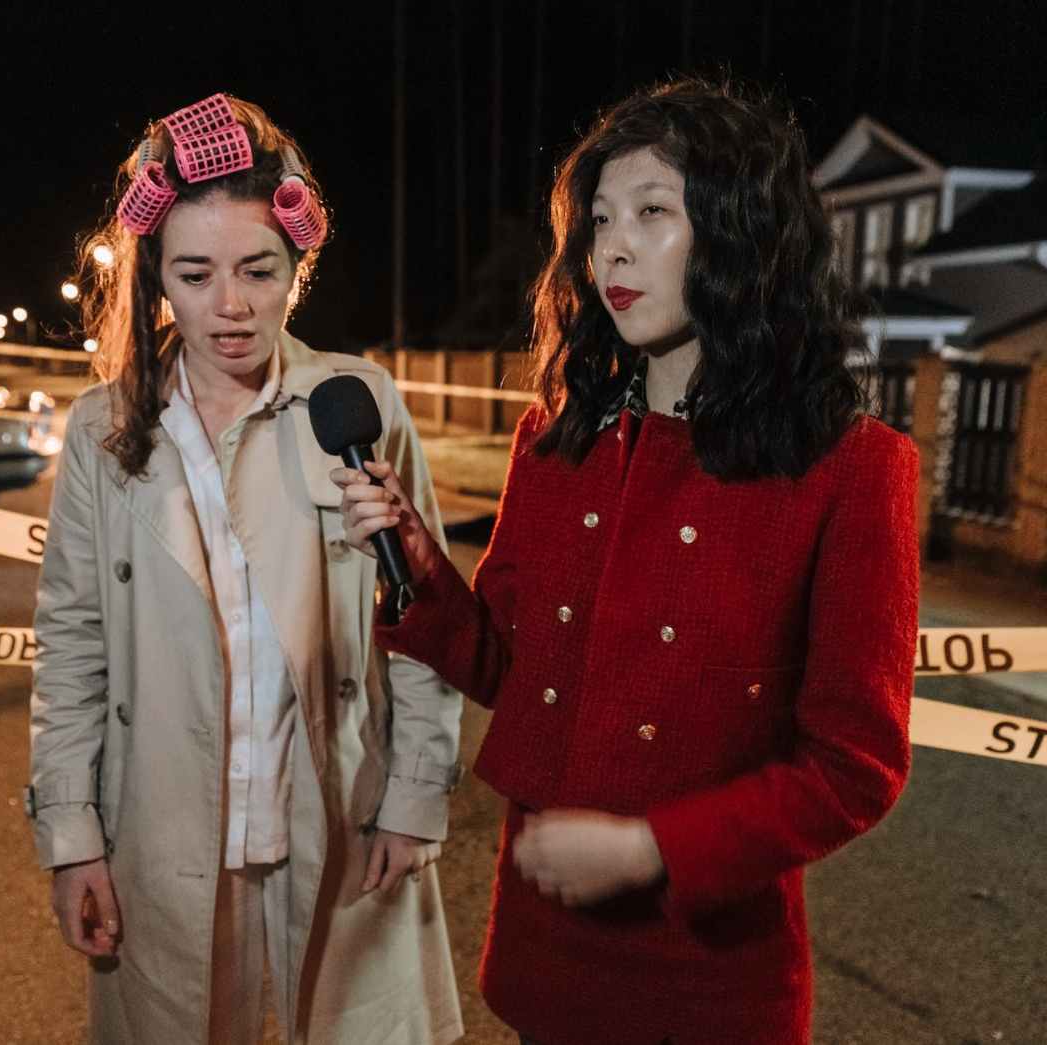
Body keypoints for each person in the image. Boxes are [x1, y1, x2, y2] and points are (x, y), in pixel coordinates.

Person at [332, 76, 920, 1045]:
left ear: (741, 233)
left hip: (705, 982)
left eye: (653, 212)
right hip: (547, 957)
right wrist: (420, 567)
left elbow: (853, 766)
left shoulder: (851, 468)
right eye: (599, 218)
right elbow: (507, 669)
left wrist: (653, 848)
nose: (611, 246)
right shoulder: (556, 439)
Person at [26, 93, 464, 1045]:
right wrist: (72, 836)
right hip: (164, 833)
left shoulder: (360, 403)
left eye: (259, 270)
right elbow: (70, 645)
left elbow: (424, 619)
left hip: (339, 818)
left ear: (296, 269)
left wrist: (416, 797)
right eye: (195, 273)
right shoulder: (102, 432)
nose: (230, 305)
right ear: (157, 277)